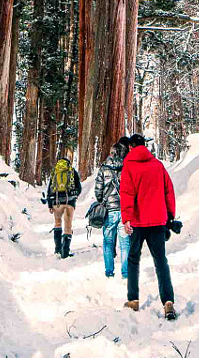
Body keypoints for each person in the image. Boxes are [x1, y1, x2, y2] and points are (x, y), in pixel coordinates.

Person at [118, 132, 179, 318]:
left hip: (137, 222)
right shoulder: (158, 165)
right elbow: (169, 191)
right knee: (161, 261)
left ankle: (133, 300)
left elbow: (126, 193)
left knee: (133, 259)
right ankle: (168, 301)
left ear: (131, 148)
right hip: (158, 221)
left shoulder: (129, 165)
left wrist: (126, 219)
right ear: (145, 146)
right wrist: (170, 216)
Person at [89, 144, 130, 280]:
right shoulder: (127, 168)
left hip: (109, 211)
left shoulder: (103, 169)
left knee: (108, 242)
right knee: (125, 243)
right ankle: (125, 273)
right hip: (124, 210)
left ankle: (109, 272)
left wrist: (102, 200)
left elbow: (98, 191)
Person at [44, 153, 80, 257]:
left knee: (57, 223)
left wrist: (50, 204)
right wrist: (74, 196)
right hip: (69, 202)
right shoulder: (72, 172)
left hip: (56, 202)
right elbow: (79, 188)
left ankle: (57, 249)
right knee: (68, 226)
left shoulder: (55, 172)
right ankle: (65, 252)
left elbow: (50, 189)